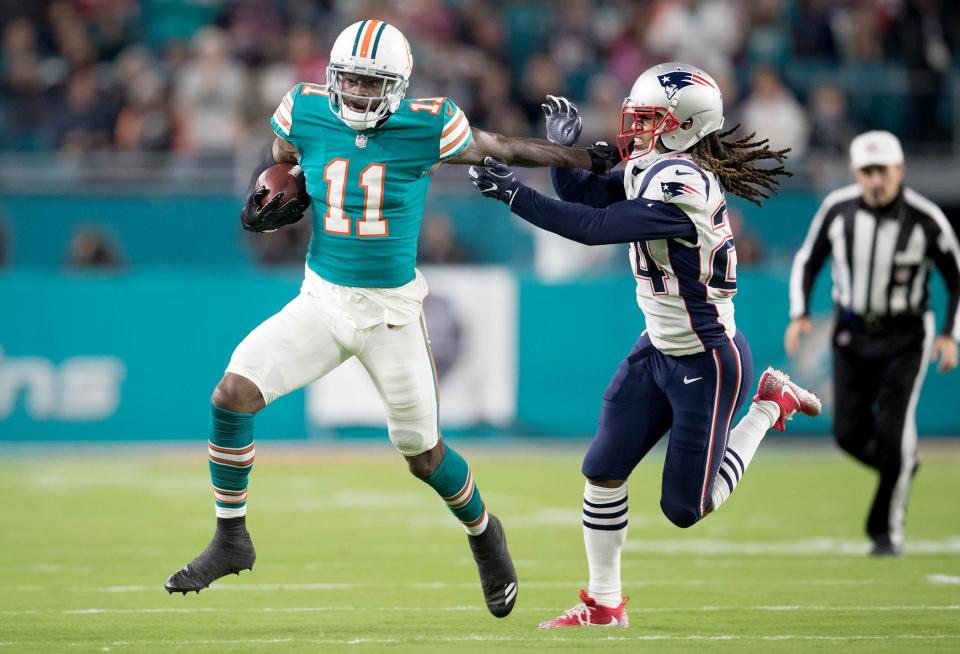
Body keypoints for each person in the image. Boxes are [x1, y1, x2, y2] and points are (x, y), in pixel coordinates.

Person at [163, 19, 617, 619]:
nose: (354, 94)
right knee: (232, 394)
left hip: (391, 315)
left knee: (423, 454)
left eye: (368, 83)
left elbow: (501, 148)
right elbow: (283, 161)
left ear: (397, 86)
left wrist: (584, 156)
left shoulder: (427, 125)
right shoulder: (304, 109)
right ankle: (230, 539)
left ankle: (485, 532)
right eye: (347, 80)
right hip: (321, 299)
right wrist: (280, 190)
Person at [468, 63, 822, 629]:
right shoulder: (654, 167)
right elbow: (587, 193)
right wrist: (566, 154)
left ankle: (768, 405)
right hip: (657, 347)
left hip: (707, 359)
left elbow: (593, 227)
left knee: (686, 508)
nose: (633, 125)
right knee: (603, 468)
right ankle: (605, 605)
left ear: (682, 125)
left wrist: (516, 196)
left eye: (649, 117)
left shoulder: (686, 185)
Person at [785, 130, 960, 557]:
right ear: (855, 174)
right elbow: (808, 258)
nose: (875, 180)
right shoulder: (838, 209)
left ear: (899, 170)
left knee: (894, 428)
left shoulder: (925, 218)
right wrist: (800, 313)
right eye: (867, 171)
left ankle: (886, 531)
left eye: (882, 170)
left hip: (906, 336)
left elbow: (956, 278)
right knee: (847, 433)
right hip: (852, 333)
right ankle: (901, 464)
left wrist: (949, 336)